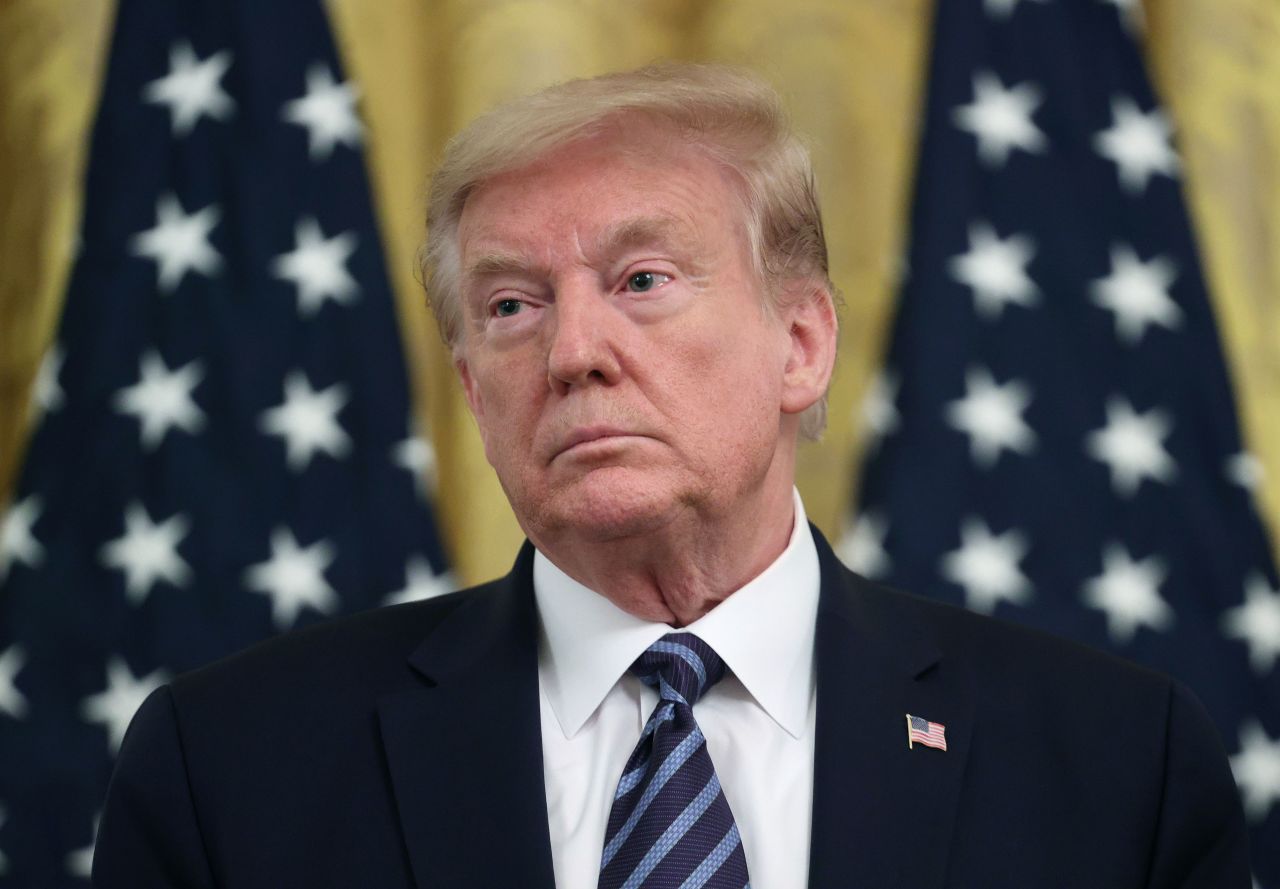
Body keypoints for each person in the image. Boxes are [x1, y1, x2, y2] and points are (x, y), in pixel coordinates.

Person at [93, 63, 1249, 888]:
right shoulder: (232, 765)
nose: (573, 350)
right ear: (470, 389)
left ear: (799, 345)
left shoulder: (1112, 764)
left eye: (642, 279)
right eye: (509, 305)